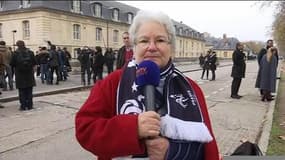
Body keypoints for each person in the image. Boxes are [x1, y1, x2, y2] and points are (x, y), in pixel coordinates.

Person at [75, 10, 220, 160]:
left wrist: (173, 152)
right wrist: (133, 128)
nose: (152, 47)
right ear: (135, 47)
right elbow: (85, 129)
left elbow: (207, 151)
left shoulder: (191, 89)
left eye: (160, 40)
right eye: (144, 41)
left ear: (171, 47)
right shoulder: (112, 83)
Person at [10, 40, 36, 111]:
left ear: (17, 45)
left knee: (21, 91)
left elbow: (12, 64)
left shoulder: (15, 53)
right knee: (29, 91)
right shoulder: (31, 53)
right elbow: (34, 62)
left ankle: (23, 106)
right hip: (29, 74)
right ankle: (30, 105)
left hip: (20, 74)